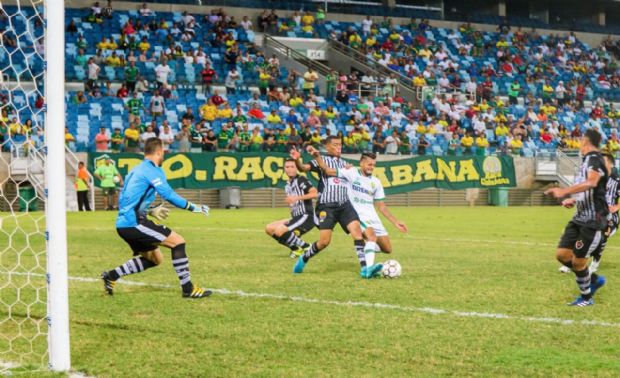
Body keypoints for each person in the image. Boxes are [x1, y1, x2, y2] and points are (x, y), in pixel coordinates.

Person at [101, 138, 212, 299]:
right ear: (159, 152)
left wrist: (150, 211)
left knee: (155, 259)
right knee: (178, 242)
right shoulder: (153, 170)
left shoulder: (135, 170)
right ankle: (188, 289)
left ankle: (111, 276)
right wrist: (194, 207)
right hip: (134, 223)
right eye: (163, 152)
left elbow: (125, 199)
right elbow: (169, 195)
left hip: (125, 223)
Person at [289, 137, 383, 278]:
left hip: (345, 205)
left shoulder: (346, 164)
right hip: (327, 206)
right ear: (327, 147)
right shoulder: (321, 160)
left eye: (340, 144)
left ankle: (365, 269)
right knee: (324, 242)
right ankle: (304, 258)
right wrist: (297, 160)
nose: (339, 147)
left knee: (357, 233)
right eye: (335, 145)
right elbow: (303, 168)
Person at [545, 129, 608, 306]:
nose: (579, 144)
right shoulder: (586, 161)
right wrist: (573, 199)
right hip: (579, 217)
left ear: (585, 141)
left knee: (578, 261)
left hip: (592, 219)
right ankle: (593, 279)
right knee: (562, 255)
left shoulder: (594, 159)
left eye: (581, 140)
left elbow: (592, 182)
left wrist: (563, 191)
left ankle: (586, 298)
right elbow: (590, 190)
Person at [313, 151, 408, 266]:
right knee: (371, 236)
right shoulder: (351, 172)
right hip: (357, 215)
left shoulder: (376, 182)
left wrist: (396, 222)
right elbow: (328, 170)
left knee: (387, 249)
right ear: (361, 163)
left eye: (373, 165)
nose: (372, 167)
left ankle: (365, 248)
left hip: (373, 217)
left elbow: (381, 206)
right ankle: (368, 269)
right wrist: (317, 157)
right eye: (369, 164)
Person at [265, 159, 318, 258]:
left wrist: (296, 198)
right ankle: (296, 249)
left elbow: (315, 193)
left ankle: (307, 246)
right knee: (269, 228)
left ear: (297, 168)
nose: (290, 169)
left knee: (279, 231)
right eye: (287, 167)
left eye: (292, 167)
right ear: (284, 169)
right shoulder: (288, 185)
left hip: (306, 216)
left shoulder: (301, 179)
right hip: (296, 217)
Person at [589, 152, 620, 273]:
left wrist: (616, 206)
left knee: (602, 236)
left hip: (611, 218)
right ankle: (571, 262)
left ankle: (595, 263)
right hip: (595, 215)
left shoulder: (616, 181)